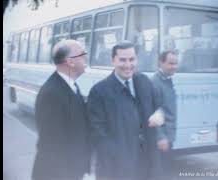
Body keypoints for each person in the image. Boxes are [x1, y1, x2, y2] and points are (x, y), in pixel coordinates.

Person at [87, 41, 164, 180]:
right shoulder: (99, 92)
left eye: (131, 59)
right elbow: (97, 134)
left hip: (147, 164)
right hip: (117, 169)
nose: (128, 65)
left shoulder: (144, 81)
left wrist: (159, 114)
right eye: (122, 60)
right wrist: (120, 157)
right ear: (113, 61)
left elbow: (158, 106)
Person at [32, 39, 91, 180]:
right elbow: (52, 145)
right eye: (82, 55)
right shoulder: (51, 93)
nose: (86, 58)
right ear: (70, 61)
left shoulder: (71, 86)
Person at [151, 50, 178, 180]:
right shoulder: (155, 83)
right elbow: (153, 112)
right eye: (170, 63)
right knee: (161, 174)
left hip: (168, 136)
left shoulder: (167, 80)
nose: (174, 66)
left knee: (167, 172)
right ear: (160, 63)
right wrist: (160, 137)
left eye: (176, 63)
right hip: (162, 139)